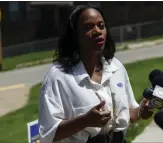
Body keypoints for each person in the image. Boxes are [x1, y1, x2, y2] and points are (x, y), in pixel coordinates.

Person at [39, 5, 153, 143]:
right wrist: (85, 121)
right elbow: (48, 134)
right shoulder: (58, 77)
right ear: (75, 35)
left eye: (101, 26)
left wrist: (140, 111)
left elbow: (128, 113)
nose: (97, 31)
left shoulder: (116, 67)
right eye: (88, 28)